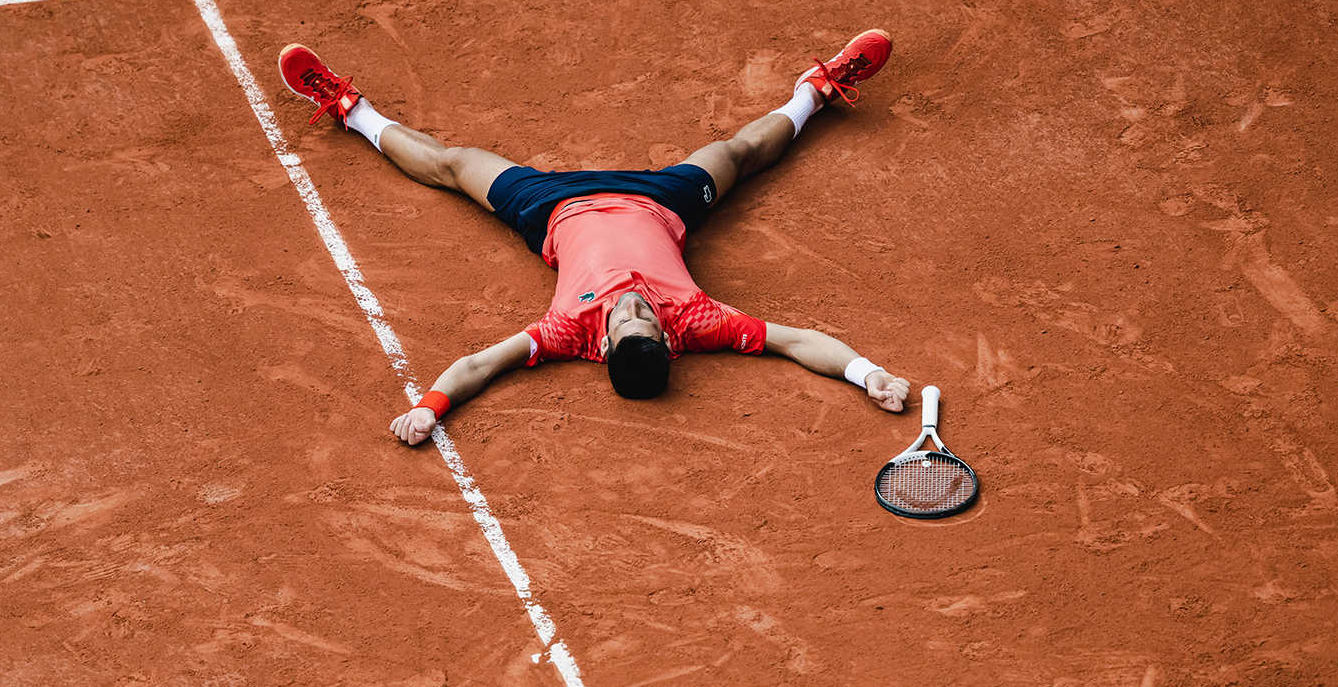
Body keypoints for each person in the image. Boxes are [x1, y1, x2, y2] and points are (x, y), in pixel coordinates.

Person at [277, 31, 913, 445]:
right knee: (735, 153)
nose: (633, 306)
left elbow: (478, 366)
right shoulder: (697, 323)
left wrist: (430, 406)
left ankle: (351, 109)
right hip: (660, 200)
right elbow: (797, 341)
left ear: (603, 346)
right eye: (645, 319)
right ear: (668, 341)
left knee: (454, 163)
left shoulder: (566, 333)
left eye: (626, 321)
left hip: (551, 207)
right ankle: (816, 91)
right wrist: (868, 373)